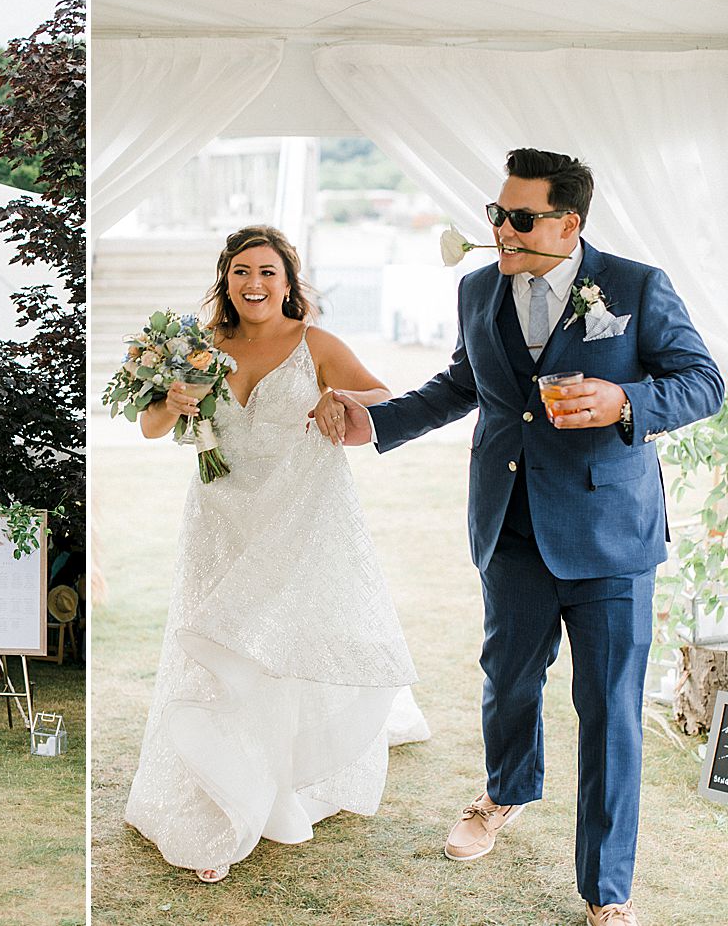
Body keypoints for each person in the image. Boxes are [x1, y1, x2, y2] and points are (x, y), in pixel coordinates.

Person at [337, 149, 723, 926]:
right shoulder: (479, 286)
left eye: (518, 218)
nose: (500, 231)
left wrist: (624, 400)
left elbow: (704, 381)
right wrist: (376, 422)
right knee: (507, 680)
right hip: (510, 525)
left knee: (609, 709)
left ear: (567, 223)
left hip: (612, 536)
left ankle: (607, 891)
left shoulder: (636, 286)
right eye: (496, 215)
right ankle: (504, 794)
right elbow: (462, 384)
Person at [125, 225, 428, 884]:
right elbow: (149, 424)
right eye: (241, 272)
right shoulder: (198, 349)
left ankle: (279, 783)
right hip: (219, 523)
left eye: (267, 271)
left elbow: (386, 396)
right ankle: (222, 789)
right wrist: (171, 401)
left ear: (288, 282)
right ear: (225, 281)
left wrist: (338, 397)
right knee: (219, 651)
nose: (253, 284)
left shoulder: (314, 344)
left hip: (298, 519)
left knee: (277, 653)